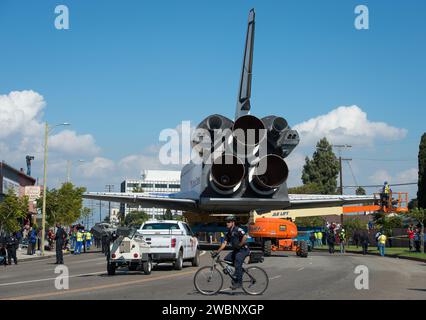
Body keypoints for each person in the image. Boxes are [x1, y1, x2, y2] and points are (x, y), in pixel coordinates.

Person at [214, 215, 250, 290]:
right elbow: (224, 243)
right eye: (226, 222)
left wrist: (240, 244)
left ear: (233, 223)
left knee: (237, 262)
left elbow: (245, 236)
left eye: (229, 222)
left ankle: (239, 283)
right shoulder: (229, 233)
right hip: (237, 251)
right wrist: (217, 252)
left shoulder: (238, 229)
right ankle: (237, 272)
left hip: (243, 250)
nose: (227, 223)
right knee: (226, 259)